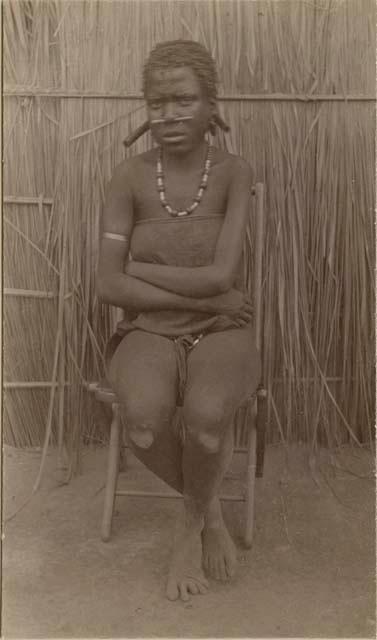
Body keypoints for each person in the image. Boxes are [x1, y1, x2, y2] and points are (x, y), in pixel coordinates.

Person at [97, 39, 261, 602]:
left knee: (208, 421)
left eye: (184, 100)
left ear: (211, 103)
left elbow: (222, 276)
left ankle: (186, 532)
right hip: (147, 328)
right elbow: (108, 284)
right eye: (157, 102)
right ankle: (209, 509)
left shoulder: (234, 173)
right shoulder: (130, 177)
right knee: (142, 424)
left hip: (223, 329)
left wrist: (143, 268)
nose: (168, 115)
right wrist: (210, 298)